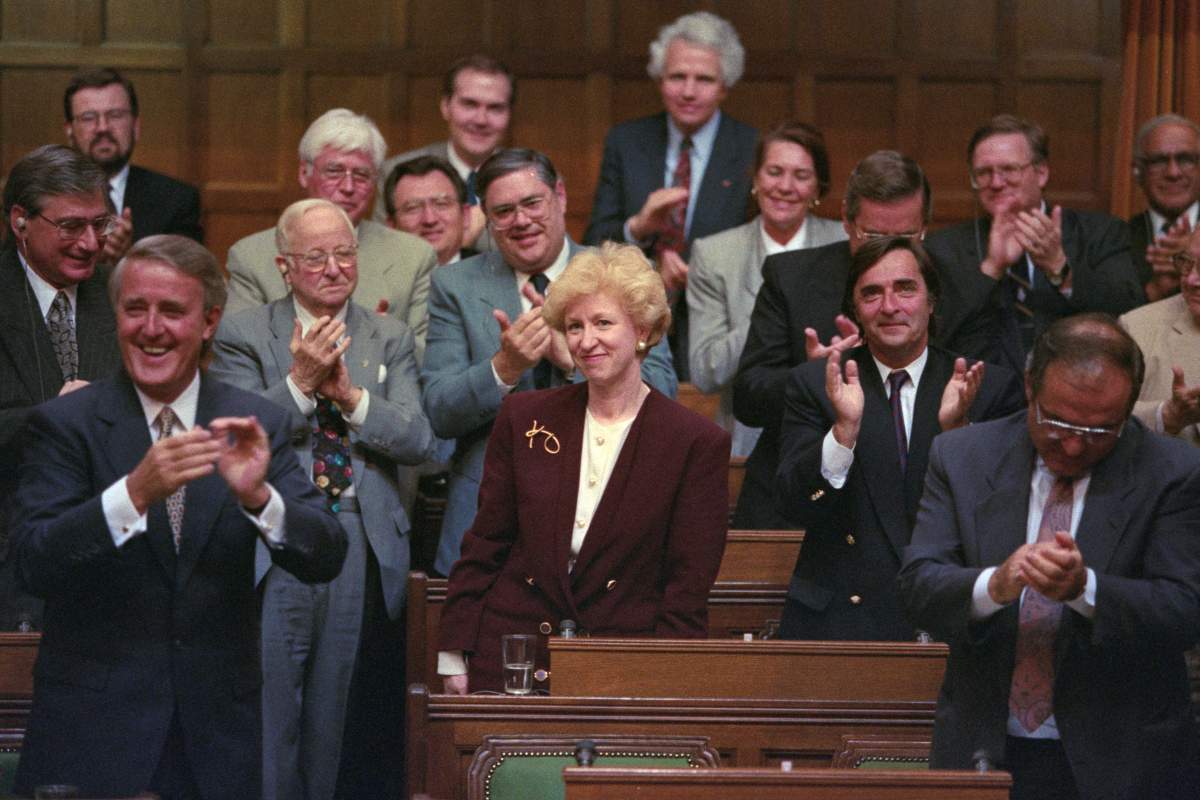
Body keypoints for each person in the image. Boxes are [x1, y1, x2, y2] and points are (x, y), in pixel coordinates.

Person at [9, 234, 346, 799]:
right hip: (92, 738)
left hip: (214, 744)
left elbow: (326, 554)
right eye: (135, 308)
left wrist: (260, 498)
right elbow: (33, 562)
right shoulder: (65, 424)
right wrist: (133, 494)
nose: (151, 328)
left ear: (210, 321)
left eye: (172, 311)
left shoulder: (254, 421)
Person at [898, 313, 1200, 800]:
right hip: (986, 750)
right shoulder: (962, 457)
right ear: (1028, 388)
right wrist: (994, 585)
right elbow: (917, 587)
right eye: (1057, 421)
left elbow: (1186, 610)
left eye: (1101, 430)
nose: (1076, 444)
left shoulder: (1173, 472)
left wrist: (1087, 591)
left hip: (1123, 758)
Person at [209, 199, 434, 800]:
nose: (334, 268)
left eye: (344, 253)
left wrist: (355, 399)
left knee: (335, 715)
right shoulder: (244, 333)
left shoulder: (387, 335)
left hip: (358, 533)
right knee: (274, 708)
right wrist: (301, 385)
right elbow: (232, 436)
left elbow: (418, 438)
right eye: (316, 257)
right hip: (277, 533)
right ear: (285, 267)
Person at [436, 243, 729, 693]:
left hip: (624, 668)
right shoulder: (525, 417)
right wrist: (454, 650)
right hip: (514, 655)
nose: (586, 341)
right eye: (574, 326)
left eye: (603, 323)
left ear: (644, 330)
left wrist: (670, 683)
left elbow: (685, 589)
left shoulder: (694, 442)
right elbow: (485, 543)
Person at [421, 148, 676, 577]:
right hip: (489, 522)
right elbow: (440, 411)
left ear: (559, 195)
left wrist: (575, 362)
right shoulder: (454, 286)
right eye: (503, 211)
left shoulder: (620, 273)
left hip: (602, 512)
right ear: (486, 216)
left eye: (532, 203)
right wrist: (504, 368)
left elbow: (663, 391)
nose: (520, 221)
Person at [775, 237, 1023, 640]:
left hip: (950, 615)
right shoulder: (819, 384)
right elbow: (794, 504)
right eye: (871, 293)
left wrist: (957, 435)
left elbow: (1004, 520)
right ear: (854, 308)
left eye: (905, 288)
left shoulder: (986, 386)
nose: (889, 306)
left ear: (932, 300)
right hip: (841, 622)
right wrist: (843, 433)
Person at [732, 150, 995, 529]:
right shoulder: (791, 277)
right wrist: (814, 377)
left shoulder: (966, 289)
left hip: (918, 501)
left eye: (905, 237)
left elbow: (986, 405)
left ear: (925, 227)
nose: (889, 251)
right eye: (874, 236)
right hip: (802, 501)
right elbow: (749, 398)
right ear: (846, 221)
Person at [583, 11, 757, 378]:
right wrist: (639, 228)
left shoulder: (751, 148)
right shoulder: (626, 142)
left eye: (704, 79)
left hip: (721, 329)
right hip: (633, 328)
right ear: (660, 80)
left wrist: (705, 269)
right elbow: (593, 243)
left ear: (725, 85)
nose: (689, 91)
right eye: (678, 76)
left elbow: (758, 244)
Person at [0, 145, 124, 631]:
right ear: (20, 221)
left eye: (101, 224)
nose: (91, 242)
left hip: (108, 560)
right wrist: (55, 418)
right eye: (72, 226)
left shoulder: (123, 295)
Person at [925, 114, 1144, 374]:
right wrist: (991, 270)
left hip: (1077, 383)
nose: (996, 183)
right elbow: (935, 336)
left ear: (1041, 173)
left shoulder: (1101, 232)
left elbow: (1130, 313)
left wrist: (1060, 269)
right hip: (981, 393)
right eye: (983, 173)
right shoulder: (943, 248)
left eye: (1009, 170)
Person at [688, 121, 847, 456]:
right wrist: (772, 306)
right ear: (756, 179)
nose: (785, 186)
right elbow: (705, 371)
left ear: (818, 187)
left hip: (837, 428)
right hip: (748, 435)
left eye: (801, 176)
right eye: (774, 172)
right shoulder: (714, 254)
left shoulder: (844, 244)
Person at [226, 108, 437, 356]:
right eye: (334, 172)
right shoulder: (251, 256)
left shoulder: (413, 256)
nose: (348, 187)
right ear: (304, 173)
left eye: (361, 175)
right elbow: (241, 352)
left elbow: (426, 357)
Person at [373, 54, 515, 252]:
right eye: (469, 104)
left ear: (509, 114)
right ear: (445, 107)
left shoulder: (531, 178)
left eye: (495, 108)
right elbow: (385, 253)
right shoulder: (398, 172)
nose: (481, 120)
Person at [63, 67, 203, 260]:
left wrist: (130, 256)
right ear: (70, 131)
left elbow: (187, 278)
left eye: (115, 115)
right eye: (88, 117)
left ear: (136, 126)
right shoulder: (43, 199)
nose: (102, 127)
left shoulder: (177, 200)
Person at [1119, 230, 1200, 445]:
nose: (1192, 280)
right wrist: (1167, 416)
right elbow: (1097, 413)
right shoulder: (1137, 327)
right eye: (1186, 263)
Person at [1129, 113, 1200, 301]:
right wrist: (1156, 289)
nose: (1173, 172)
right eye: (1159, 161)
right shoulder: (1116, 239)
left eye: (1185, 159)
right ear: (1138, 171)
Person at [384, 154, 473, 265]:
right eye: (413, 208)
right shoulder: (374, 280)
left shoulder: (494, 274)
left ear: (465, 215)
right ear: (391, 226)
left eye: (441, 204)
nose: (430, 219)